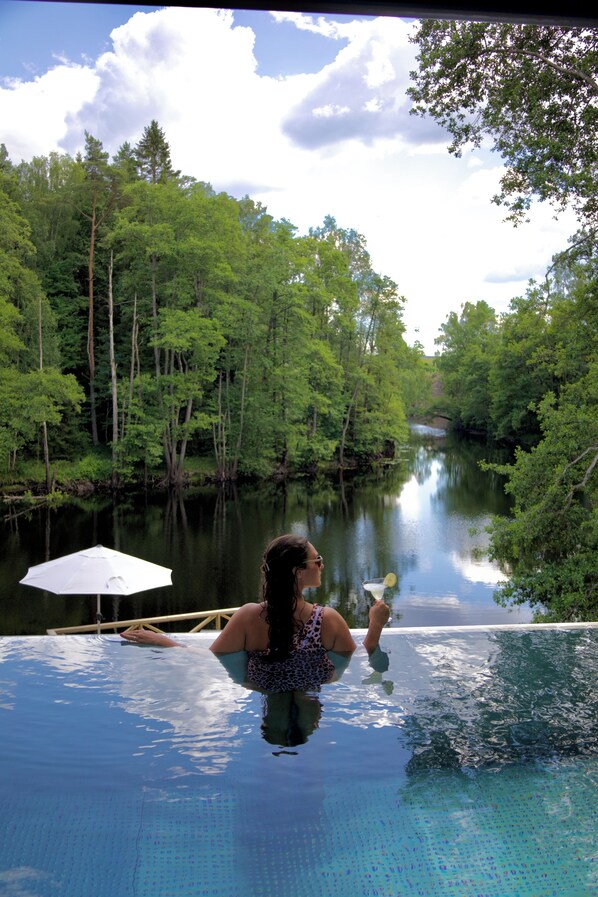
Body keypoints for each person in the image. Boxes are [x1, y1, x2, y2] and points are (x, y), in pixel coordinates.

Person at [120, 534, 390, 692]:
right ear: (298, 571)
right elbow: (368, 662)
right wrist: (375, 626)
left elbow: (215, 660)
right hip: (312, 703)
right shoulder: (328, 620)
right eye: (317, 561)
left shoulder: (248, 617)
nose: (322, 564)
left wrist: (168, 643)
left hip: (266, 703)